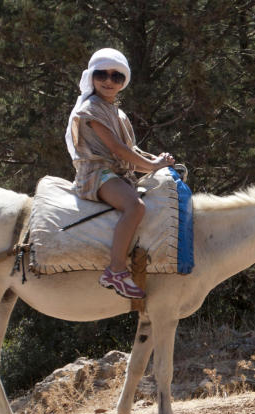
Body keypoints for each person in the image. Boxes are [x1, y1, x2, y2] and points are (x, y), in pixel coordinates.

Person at [66, 48, 175, 299]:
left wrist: (156, 161)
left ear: (123, 82)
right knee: (135, 207)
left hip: (115, 173)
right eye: (102, 74)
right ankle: (115, 270)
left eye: (116, 77)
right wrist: (153, 166)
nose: (108, 81)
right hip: (96, 173)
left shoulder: (118, 113)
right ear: (92, 77)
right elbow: (117, 149)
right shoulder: (91, 109)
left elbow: (131, 153)